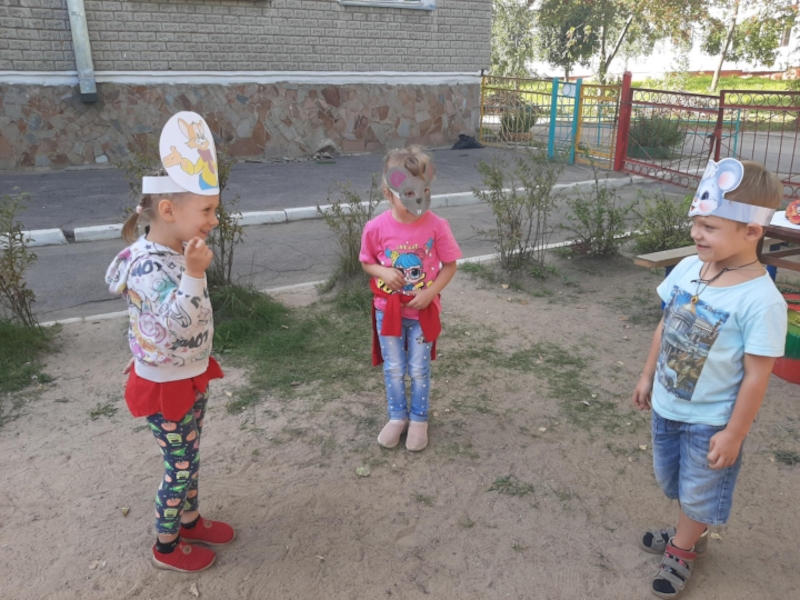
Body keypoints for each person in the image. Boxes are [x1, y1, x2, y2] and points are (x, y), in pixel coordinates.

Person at [632, 158, 787, 599]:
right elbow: (665, 325)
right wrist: (647, 375)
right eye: (696, 223)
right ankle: (690, 530)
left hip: (711, 421)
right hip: (667, 407)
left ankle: (682, 549)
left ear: (751, 231)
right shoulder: (687, 269)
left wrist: (734, 433)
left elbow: (757, 375)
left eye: (710, 227)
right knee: (674, 481)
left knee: (700, 490)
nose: (696, 233)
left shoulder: (761, 301)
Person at [105, 111, 233, 573]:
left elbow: (146, 320)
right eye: (207, 211)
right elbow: (175, 322)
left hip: (186, 373)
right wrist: (195, 275)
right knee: (179, 466)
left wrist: (142, 346)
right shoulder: (147, 264)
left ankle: (190, 521)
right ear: (168, 211)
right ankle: (165, 546)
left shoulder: (175, 251)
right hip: (165, 385)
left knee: (190, 455)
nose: (214, 220)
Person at [359, 146, 462, 452]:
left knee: (418, 369)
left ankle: (418, 419)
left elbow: (450, 265)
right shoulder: (375, 228)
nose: (418, 200)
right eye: (407, 193)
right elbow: (366, 262)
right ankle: (397, 417)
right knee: (393, 368)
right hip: (387, 312)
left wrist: (430, 293)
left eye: (424, 191)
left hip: (422, 314)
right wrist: (382, 271)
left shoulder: (437, 226)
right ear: (388, 194)